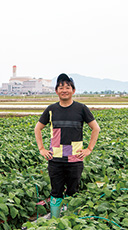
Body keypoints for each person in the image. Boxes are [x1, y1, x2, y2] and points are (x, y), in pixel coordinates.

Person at [34, 73, 100, 218]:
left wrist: (89, 149)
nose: (64, 90)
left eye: (68, 87)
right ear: (56, 91)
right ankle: (56, 221)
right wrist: (42, 149)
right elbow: (37, 128)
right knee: (56, 192)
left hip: (75, 160)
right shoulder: (51, 109)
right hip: (55, 160)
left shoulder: (81, 109)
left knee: (73, 192)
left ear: (73, 90)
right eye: (61, 87)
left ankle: (71, 221)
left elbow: (96, 128)